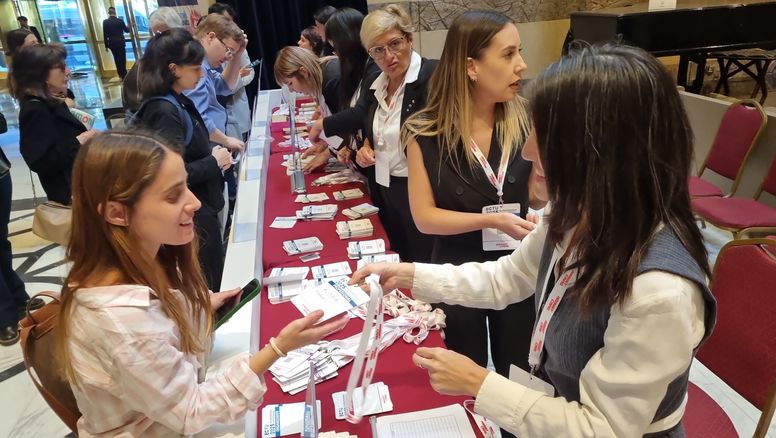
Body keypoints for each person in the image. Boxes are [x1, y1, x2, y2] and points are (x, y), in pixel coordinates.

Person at [351, 43, 717, 437]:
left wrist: (479, 382)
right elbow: (506, 278)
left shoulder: (658, 292)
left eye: (545, 137)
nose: (527, 151)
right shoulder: (577, 214)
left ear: (604, 152)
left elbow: (601, 429)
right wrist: (408, 275)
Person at [56, 130, 348, 436]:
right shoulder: (121, 321)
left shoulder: (147, 262)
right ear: (117, 213)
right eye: (173, 196)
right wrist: (277, 349)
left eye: (186, 186)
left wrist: (194, 308)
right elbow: (191, 411)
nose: (194, 202)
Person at [401, 12, 543, 419]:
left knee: (520, 374)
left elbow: (535, 197)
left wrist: (542, 206)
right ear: (471, 66)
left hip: (518, 263)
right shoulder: (425, 132)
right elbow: (425, 218)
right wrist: (490, 220)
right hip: (456, 265)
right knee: (461, 374)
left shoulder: (525, 118)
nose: (522, 65)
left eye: (520, 52)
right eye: (509, 54)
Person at [310, 4, 437, 263]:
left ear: (409, 38)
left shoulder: (432, 76)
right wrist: (367, 146)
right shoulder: (376, 83)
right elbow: (371, 123)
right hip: (385, 186)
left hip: (421, 191)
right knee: (397, 257)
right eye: (378, 50)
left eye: (395, 44)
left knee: (423, 263)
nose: (388, 56)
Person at [136, 28, 231, 292]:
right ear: (174, 69)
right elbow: (168, 177)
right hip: (191, 214)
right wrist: (213, 161)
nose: (201, 75)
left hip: (199, 208)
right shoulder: (164, 110)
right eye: (195, 69)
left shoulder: (175, 101)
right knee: (208, 284)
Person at [9, 44, 98, 206]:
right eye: (61, 68)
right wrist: (80, 141)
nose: (68, 72)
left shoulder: (52, 101)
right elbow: (40, 161)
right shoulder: (35, 109)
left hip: (82, 184)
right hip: (68, 193)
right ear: (41, 74)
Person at [0, 110, 42, 346]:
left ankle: (17, 296)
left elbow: (1, 124)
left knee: (1, 240)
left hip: (0, 175)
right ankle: (4, 315)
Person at [186, 13, 246, 154]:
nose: (228, 56)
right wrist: (226, 140)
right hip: (204, 146)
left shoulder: (205, 64)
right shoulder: (197, 66)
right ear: (211, 37)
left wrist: (237, 56)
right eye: (228, 49)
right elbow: (197, 117)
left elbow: (225, 87)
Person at [122, 6, 186, 113]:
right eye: (156, 34)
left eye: (165, 34)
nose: (160, 40)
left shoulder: (183, 54)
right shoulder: (148, 63)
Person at [274, 46, 340, 117]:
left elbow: (347, 118)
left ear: (303, 72)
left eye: (290, 83)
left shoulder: (332, 80)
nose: (290, 90)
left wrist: (325, 122)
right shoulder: (325, 75)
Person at [103, 7, 130, 79]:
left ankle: (120, 74)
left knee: (116, 58)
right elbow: (127, 30)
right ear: (115, 12)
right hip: (120, 42)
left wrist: (106, 45)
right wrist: (129, 26)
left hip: (112, 43)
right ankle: (124, 73)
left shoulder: (105, 22)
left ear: (108, 13)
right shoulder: (120, 21)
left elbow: (105, 34)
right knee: (122, 58)